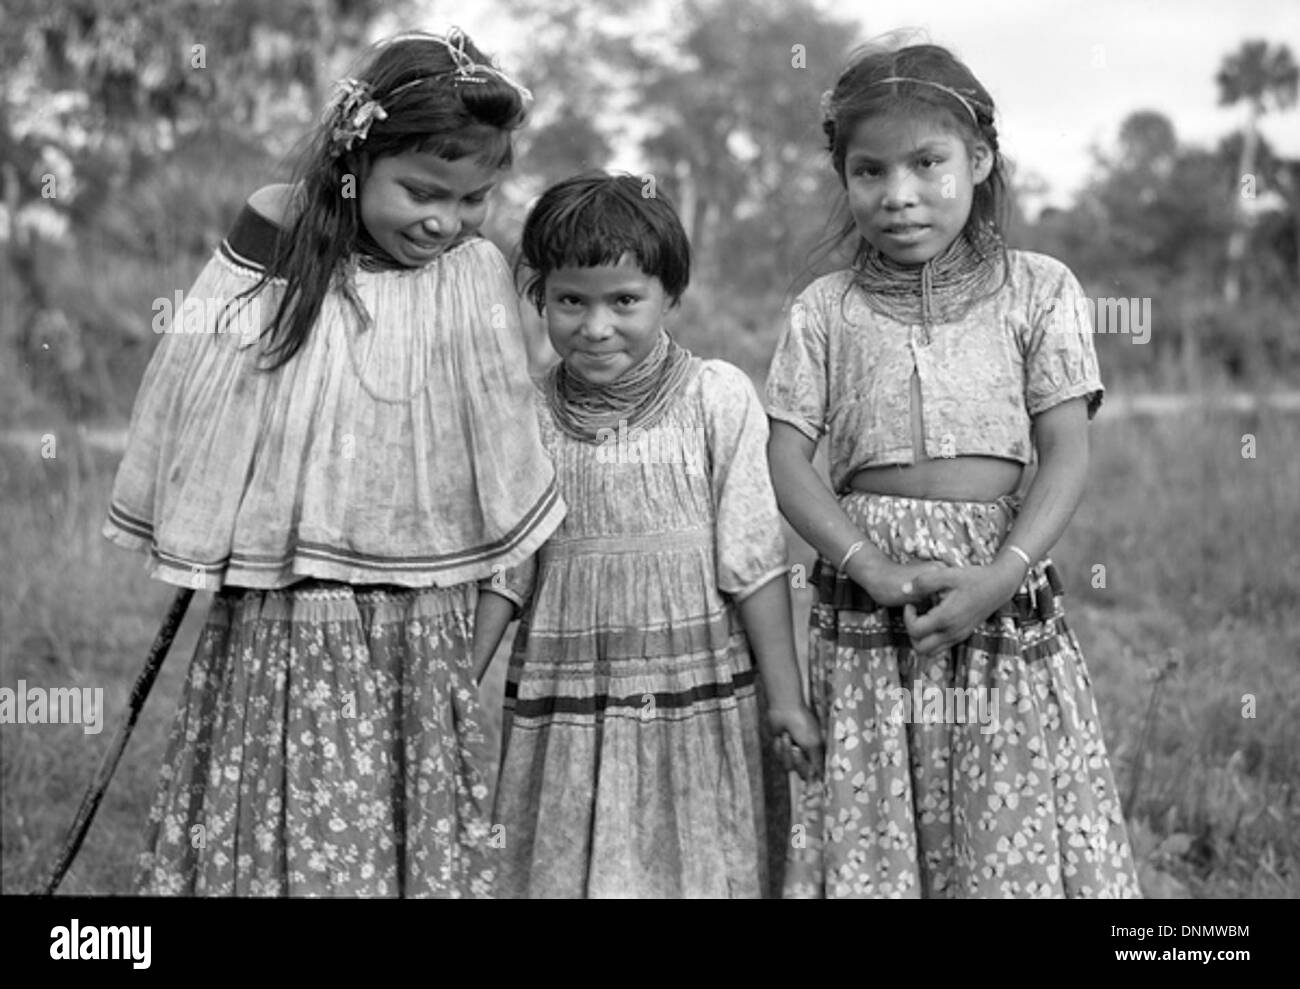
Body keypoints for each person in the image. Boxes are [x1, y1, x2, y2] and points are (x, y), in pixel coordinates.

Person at [103, 29, 564, 897]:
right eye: (421, 190)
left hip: (417, 623)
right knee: (280, 819)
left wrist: (482, 625)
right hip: (284, 617)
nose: (445, 220)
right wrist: (290, 217)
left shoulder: (470, 276)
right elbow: (196, 394)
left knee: (399, 831)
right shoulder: (281, 250)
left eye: (473, 199)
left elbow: (505, 442)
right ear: (354, 160)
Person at [766, 42, 1140, 898]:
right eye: (870, 171)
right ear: (845, 176)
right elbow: (786, 456)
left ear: (979, 159)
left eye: (926, 163)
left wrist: (1001, 577)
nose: (897, 195)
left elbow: (1066, 448)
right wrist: (868, 562)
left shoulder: (1038, 290)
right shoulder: (825, 310)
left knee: (1000, 816)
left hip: (995, 586)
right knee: (880, 818)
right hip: (869, 600)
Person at [476, 173, 823, 898]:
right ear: (540, 297)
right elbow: (507, 571)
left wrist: (787, 699)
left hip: (697, 698)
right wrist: (456, 681)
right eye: (571, 300)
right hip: (566, 701)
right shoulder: (527, 415)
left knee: (696, 868)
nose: (595, 326)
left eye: (624, 301)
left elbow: (755, 561)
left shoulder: (716, 397)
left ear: (671, 296)